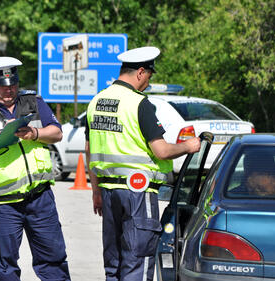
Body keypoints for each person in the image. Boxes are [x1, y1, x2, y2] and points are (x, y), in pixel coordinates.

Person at [85, 46, 201, 281]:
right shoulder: (140, 104)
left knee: (114, 264)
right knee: (138, 260)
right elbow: (161, 150)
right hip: (138, 192)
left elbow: (89, 151)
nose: (147, 82)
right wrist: (189, 146)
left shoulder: (96, 101)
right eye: (148, 76)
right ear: (140, 72)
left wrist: (96, 190)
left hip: (108, 193)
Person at [0, 57, 71, 281]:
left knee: (54, 259)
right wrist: (4, 137)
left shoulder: (32, 101)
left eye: (13, 85)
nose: (9, 91)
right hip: (3, 203)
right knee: (5, 268)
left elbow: (57, 133)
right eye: (3, 87)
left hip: (40, 198)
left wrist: (35, 134)